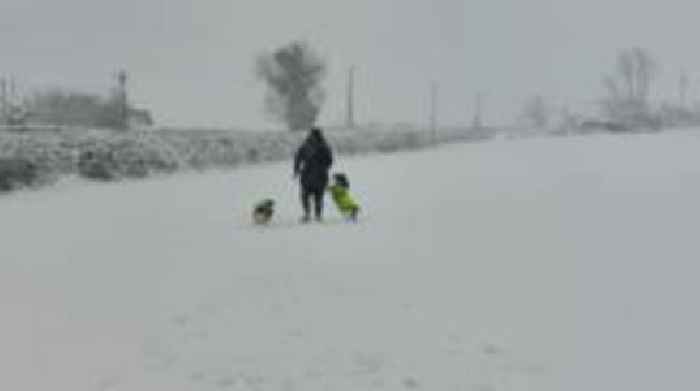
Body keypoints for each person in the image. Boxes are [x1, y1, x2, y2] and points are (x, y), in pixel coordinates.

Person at [293, 127, 333, 222]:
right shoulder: (324, 146)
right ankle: (315, 215)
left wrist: (297, 170)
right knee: (317, 196)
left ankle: (309, 215)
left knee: (307, 196)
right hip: (318, 175)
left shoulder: (306, 146)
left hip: (309, 175)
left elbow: (298, 158)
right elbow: (329, 161)